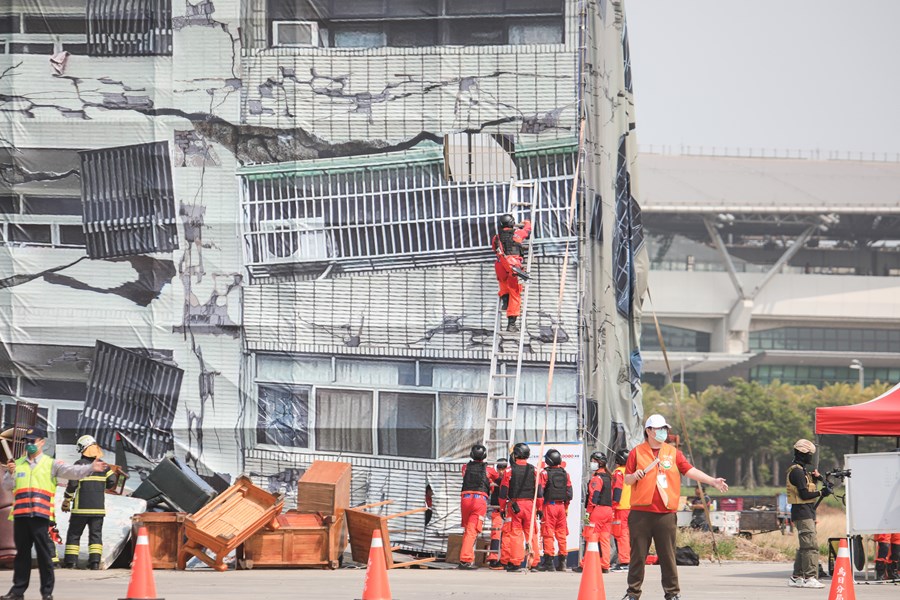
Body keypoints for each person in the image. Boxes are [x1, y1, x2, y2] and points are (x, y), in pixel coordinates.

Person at [621, 414, 728, 600]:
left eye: (665, 429)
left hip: (666, 514)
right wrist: (635, 475)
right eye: (659, 429)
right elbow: (627, 479)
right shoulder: (636, 452)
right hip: (641, 514)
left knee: (668, 556)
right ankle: (633, 593)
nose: (664, 432)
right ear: (648, 431)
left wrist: (712, 480)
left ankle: (672, 593)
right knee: (637, 556)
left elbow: (689, 470)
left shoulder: (673, 452)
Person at [2, 425, 108, 600]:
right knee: (22, 556)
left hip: (40, 516)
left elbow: (72, 472)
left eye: (33, 441)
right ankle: (18, 591)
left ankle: (47, 592)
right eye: (26, 441)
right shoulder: (17, 464)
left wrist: (90, 468)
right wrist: (11, 473)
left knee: (44, 555)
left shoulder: (50, 463)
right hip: (20, 516)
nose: (29, 444)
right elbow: (6, 487)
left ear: (42, 443)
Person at [61, 435, 116, 569]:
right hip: (98, 509)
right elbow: (113, 481)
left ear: (82, 448)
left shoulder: (79, 465)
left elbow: (72, 485)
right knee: (96, 536)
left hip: (80, 509)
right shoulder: (104, 466)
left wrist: (67, 500)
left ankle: (71, 562)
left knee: (74, 534)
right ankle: (95, 563)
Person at [786, 439, 830, 590]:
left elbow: (809, 490)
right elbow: (804, 494)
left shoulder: (803, 472)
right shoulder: (797, 472)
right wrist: (821, 492)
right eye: (809, 454)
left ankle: (796, 577)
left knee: (804, 546)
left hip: (806, 512)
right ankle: (810, 577)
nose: (811, 457)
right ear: (803, 454)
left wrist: (820, 479)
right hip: (802, 513)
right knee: (811, 546)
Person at [498, 442, 541, 571]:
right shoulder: (534, 470)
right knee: (531, 533)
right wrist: (539, 508)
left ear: (516, 455)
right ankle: (534, 562)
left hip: (515, 506)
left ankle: (516, 562)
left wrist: (501, 508)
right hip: (530, 505)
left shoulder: (509, 471)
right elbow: (539, 492)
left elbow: (503, 492)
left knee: (515, 533)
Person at [458, 444, 498, 570]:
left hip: (465, 499)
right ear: (484, 455)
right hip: (479, 500)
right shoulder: (489, 470)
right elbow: (497, 478)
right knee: (472, 530)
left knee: (467, 530)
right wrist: (491, 485)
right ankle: (465, 560)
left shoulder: (465, 467)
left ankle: (467, 557)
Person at [491, 214, 532, 333]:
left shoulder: (496, 237)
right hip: (513, 266)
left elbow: (494, 249)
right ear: (512, 223)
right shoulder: (517, 234)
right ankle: (511, 324)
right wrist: (527, 222)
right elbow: (527, 230)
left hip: (500, 265)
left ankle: (505, 300)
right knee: (515, 293)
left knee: (503, 284)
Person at [537, 448, 572, 572]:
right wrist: (566, 507)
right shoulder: (565, 473)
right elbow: (569, 492)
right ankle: (562, 562)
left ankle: (549, 562)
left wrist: (539, 508)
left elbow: (540, 492)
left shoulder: (545, 473)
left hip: (549, 506)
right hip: (561, 507)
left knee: (548, 533)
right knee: (561, 534)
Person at [585, 451, 614, 573]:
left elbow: (594, 496)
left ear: (599, 463)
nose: (592, 463)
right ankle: (605, 564)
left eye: (593, 461)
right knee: (605, 538)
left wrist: (589, 512)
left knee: (591, 535)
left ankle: (586, 564)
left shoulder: (597, 478)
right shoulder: (608, 477)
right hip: (608, 510)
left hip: (598, 510)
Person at [611, 448, 632, 572]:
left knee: (621, 534)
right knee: (628, 534)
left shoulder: (618, 472)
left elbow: (617, 490)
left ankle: (624, 562)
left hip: (620, 508)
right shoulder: (631, 472)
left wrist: (613, 505)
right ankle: (628, 560)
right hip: (631, 507)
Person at [487, 457, 508, 569]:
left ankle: (505, 560)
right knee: (495, 534)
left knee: (506, 536)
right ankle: (493, 559)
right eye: (499, 468)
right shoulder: (494, 480)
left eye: (503, 468)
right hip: (497, 511)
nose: (501, 471)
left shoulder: (508, 479)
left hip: (507, 512)